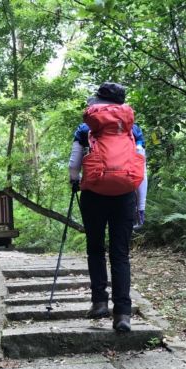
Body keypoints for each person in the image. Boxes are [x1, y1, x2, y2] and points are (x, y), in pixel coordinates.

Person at [68, 82, 147, 332]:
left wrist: (74, 182)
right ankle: (122, 313)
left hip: (93, 194)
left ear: (98, 101)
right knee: (120, 255)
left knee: (95, 249)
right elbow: (142, 169)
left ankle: (99, 302)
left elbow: (74, 164)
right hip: (125, 195)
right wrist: (140, 204)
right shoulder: (133, 129)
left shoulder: (86, 127)